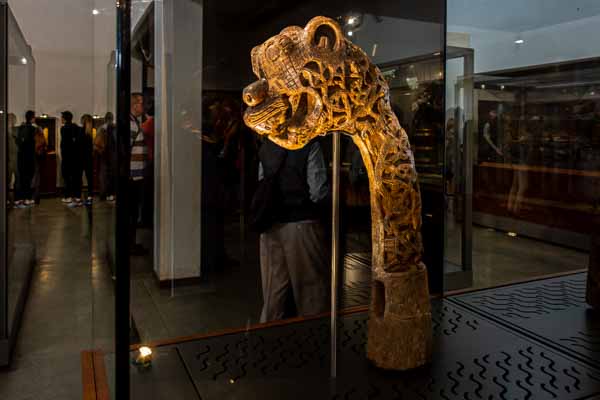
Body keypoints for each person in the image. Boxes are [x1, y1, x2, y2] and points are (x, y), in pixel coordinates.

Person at [257, 138, 330, 323]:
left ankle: (268, 340)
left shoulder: (268, 144)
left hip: (271, 223)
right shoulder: (310, 144)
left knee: (273, 294)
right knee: (311, 292)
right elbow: (318, 190)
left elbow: (262, 180)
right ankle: (312, 340)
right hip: (301, 223)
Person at [129, 93, 149, 254]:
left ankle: (131, 242)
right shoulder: (132, 124)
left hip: (135, 174)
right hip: (133, 175)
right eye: (141, 103)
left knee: (133, 211)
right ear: (134, 105)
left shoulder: (134, 122)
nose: (143, 106)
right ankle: (130, 244)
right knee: (132, 211)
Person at [15, 110, 37, 207]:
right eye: (34, 117)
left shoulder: (21, 128)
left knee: (22, 179)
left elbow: (19, 142)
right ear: (32, 118)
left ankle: (20, 199)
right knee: (27, 179)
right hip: (29, 157)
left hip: (21, 156)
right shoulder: (33, 129)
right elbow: (34, 144)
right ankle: (26, 199)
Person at [60, 111, 80, 205]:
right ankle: (76, 196)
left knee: (67, 177)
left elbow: (64, 144)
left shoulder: (63, 129)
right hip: (76, 157)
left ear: (65, 118)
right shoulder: (77, 128)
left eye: (62, 117)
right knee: (75, 177)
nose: (61, 119)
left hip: (67, 156)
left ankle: (68, 196)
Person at [95, 112, 116, 201]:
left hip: (103, 154)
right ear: (112, 118)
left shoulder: (100, 128)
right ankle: (111, 194)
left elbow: (96, 142)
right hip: (113, 154)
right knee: (112, 174)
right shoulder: (115, 127)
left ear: (105, 118)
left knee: (103, 175)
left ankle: (103, 194)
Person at [80, 114, 95, 205]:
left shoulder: (80, 131)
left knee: (79, 178)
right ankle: (90, 196)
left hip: (81, 158)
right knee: (90, 179)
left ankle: (79, 197)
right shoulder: (90, 133)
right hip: (89, 158)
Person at [31, 125, 48, 204]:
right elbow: (45, 145)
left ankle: (33, 197)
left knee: (34, 177)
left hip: (35, 158)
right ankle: (37, 197)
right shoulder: (42, 137)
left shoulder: (35, 137)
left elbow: (35, 147)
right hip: (41, 158)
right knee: (38, 178)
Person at [7, 113, 18, 206]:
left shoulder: (17, 130)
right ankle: (6, 198)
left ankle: (16, 198)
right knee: (7, 179)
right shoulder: (4, 131)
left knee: (18, 180)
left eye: (12, 119)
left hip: (16, 159)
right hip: (8, 159)